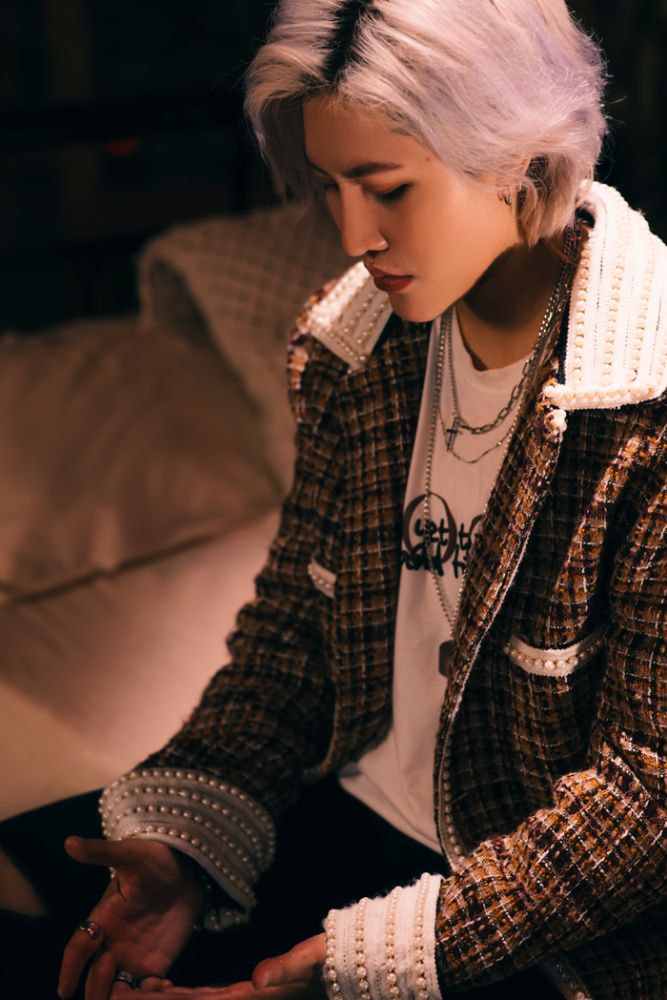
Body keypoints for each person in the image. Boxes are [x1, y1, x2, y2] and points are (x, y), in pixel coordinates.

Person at [2, 0, 666, 997]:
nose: (354, 234)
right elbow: (291, 640)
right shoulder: (346, 353)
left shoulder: (644, 403)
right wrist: (182, 846)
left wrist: (377, 961)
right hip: (345, 814)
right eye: (329, 187)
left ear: (520, 160)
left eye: (387, 188)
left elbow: (647, 793)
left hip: (529, 905)